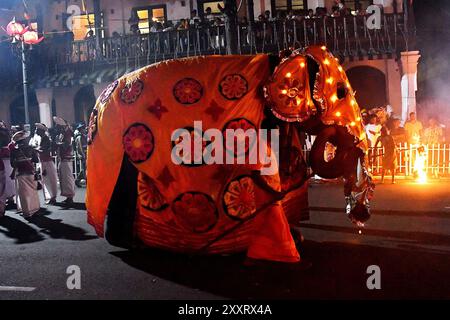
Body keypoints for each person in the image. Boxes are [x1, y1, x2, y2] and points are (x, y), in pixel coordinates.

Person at [10, 131, 40, 217]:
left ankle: (27, 212)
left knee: (24, 194)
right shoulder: (30, 148)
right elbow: (36, 160)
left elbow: (12, 164)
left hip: (21, 174)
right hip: (31, 172)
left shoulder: (14, 151)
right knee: (33, 191)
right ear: (24, 140)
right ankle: (35, 209)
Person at [34, 123, 58, 204]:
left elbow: (45, 151)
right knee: (45, 180)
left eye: (37, 129)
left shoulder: (46, 139)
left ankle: (53, 197)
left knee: (50, 180)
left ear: (41, 131)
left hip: (47, 162)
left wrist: (36, 150)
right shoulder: (42, 139)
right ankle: (50, 197)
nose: (35, 131)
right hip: (43, 161)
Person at [54, 117, 75, 205]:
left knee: (67, 178)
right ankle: (68, 196)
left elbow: (66, 145)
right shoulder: (63, 133)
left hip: (66, 157)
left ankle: (70, 197)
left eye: (57, 126)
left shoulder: (67, 133)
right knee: (64, 178)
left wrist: (58, 143)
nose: (56, 127)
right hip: (63, 158)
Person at [0, 124, 15, 208]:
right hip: (5, 162)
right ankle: (8, 198)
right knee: (6, 180)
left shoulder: (9, 143)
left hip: (7, 162)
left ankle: (9, 198)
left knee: (8, 180)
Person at [74, 123, 87, 187]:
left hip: (86, 153)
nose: (84, 129)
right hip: (82, 154)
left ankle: (78, 180)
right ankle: (85, 180)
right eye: (83, 128)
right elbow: (80, 147)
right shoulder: (79, 137)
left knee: (85, 168)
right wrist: (82, 155)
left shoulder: (85, 136)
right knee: (84, 168)